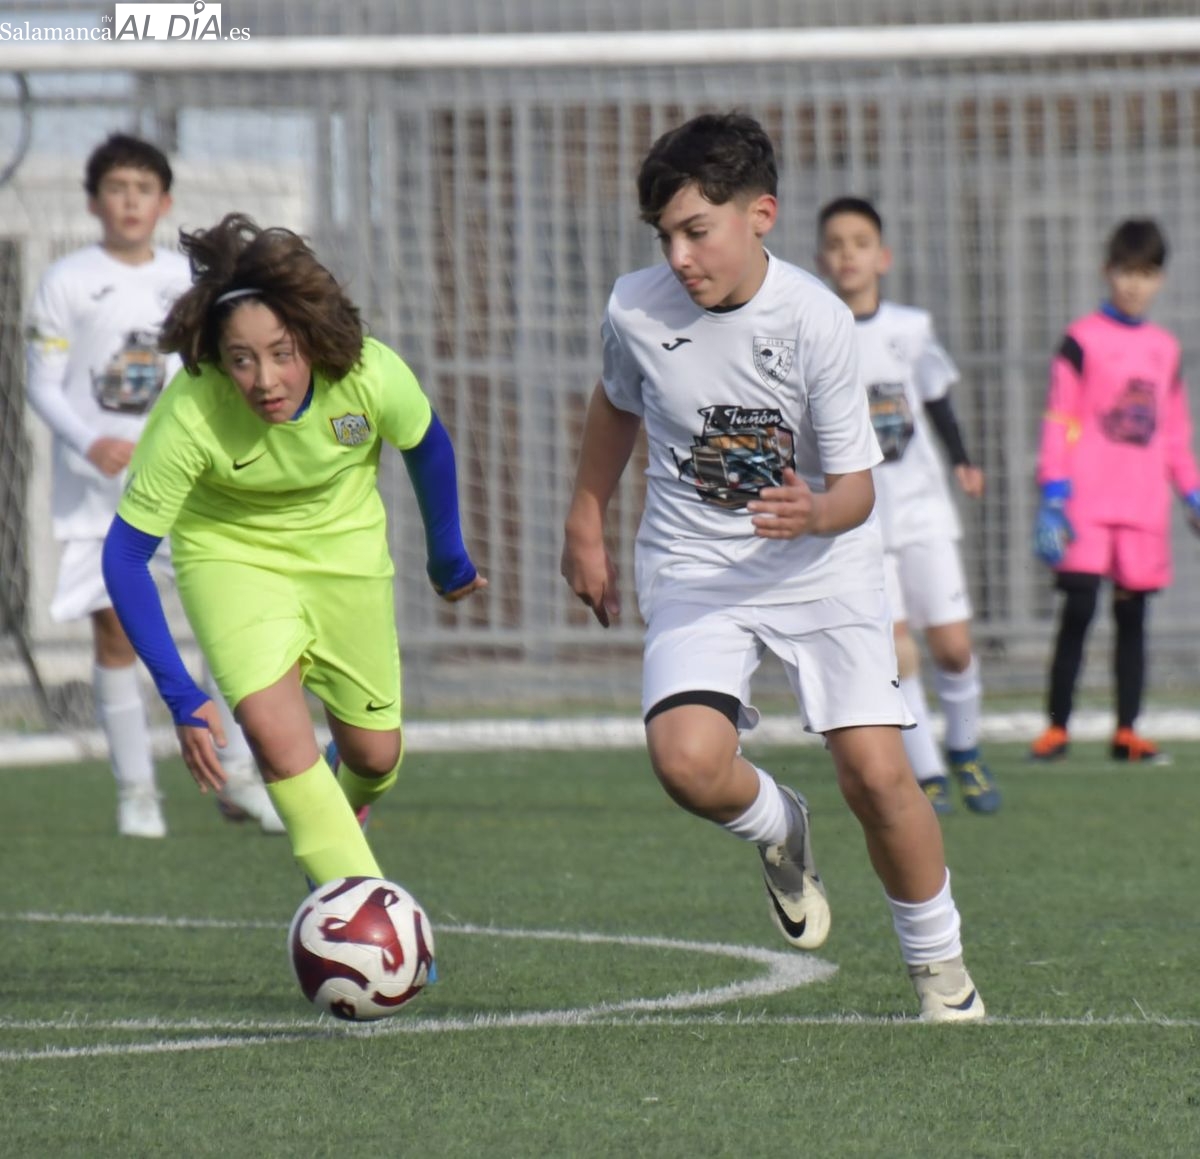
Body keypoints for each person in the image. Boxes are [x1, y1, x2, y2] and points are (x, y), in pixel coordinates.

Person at [561, 113, 985, 1021]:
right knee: (685, 761)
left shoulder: (818, 321)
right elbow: (615, 407)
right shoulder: (634, 308)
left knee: (877, 774)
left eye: (696, 230)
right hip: (694, 565)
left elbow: (857, 490)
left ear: (761, 215)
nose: (678, 255)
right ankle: (777, 824)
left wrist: (813, 509)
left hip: (820, 562)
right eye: (664, 235)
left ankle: (940, 968)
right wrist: (585, 515)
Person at [101, 212, 486, 893]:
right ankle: (365, 916)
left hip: (345, 555)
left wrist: (447, 558)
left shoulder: (366, 372)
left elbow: (426, 443)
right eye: (241, 359)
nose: (265, 379)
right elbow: (125, 556)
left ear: (309, 335)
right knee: (279, 744)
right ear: (217, 356)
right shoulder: (190, 411)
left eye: (281, 352)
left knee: (376, 756)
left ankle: (343, 801)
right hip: (231, 559)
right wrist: (182, 695)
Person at [25, 133, 281, 838]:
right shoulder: (66, 279)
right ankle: (138, 793)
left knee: (220, 627)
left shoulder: (185, 283)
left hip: (182, 482)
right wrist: (89, 439)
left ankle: (238, 776)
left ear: (164, 201)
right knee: (115, 633)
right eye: (116, 188)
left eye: (143, 189)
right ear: (94, 201)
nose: (130, 201)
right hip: (97, 491)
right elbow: (41, 384)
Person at [815, 196, 1000, 817]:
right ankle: (928, 773)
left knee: (951, 647)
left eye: (860, 242)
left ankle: (966, 749)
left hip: (920, 509)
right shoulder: (815, 332)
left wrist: (963, 460)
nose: (848, 254)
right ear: (821, 258)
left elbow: (936, 400)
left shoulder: (909, 329)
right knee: (898, 650)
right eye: (836, 244)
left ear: (883, 257)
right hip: (860, 520)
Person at [1031, 218, 1200, 763]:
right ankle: (1057, 726)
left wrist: (1191, 493)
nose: (1135, 284)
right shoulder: (1081, 340)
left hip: (1143, 507)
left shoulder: (1164, 349)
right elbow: (1060, 416)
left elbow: (1174, 431)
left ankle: (1127, 730)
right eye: (1127, 272)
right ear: (1108, 272)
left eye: (1147, 274)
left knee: (1134, 619)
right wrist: (1053, 490)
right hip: (1085, 504)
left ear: (1160, 280)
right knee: (1078, 611)